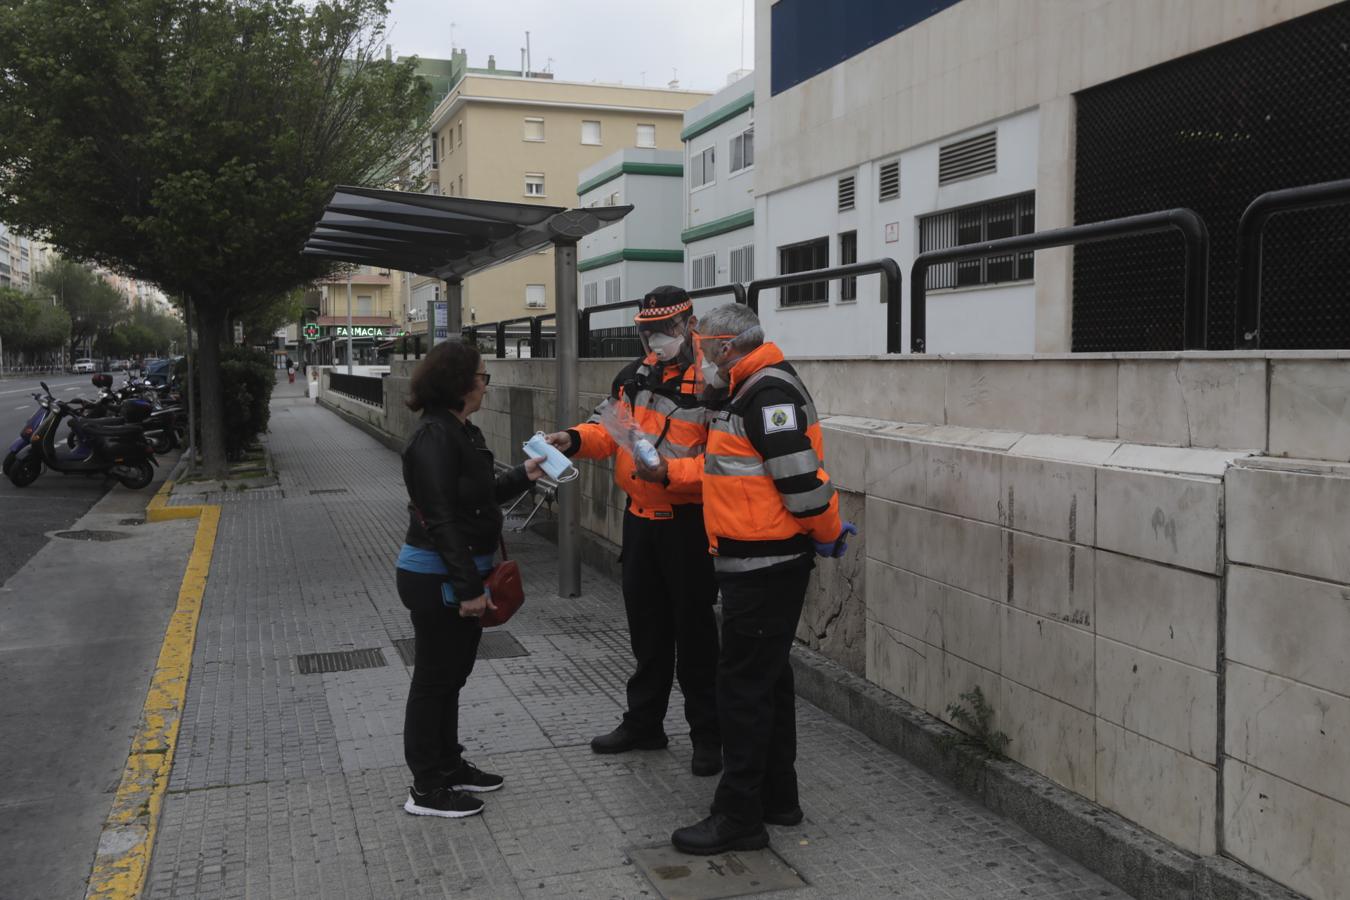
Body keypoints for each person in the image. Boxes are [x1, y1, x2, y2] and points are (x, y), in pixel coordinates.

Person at [645, 302, 857, 856]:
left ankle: (738, 816)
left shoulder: (768, 394)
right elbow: (730, 471)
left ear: (725, 346)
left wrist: (828, 529)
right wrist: (669, 468)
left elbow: (802, 482)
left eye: (702, 345)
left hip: (765, 567)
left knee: (740, 690)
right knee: (767, 682)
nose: (697, 355)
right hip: (756, 562)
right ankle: (777, 799)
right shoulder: (744, 390)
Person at [543, 285, 722, 777]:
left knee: (696, 639)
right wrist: (575, 438)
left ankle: (709, 736)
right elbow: (612, 431)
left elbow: (726, 465)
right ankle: (645, 723)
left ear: (688, 326)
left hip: (689, 527)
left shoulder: (715, 382)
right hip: (640, 525)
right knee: (647, 633)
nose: (654, 342)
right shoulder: (634, 375)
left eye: (662, 332)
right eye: (646, 333)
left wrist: (670, 474)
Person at [396, 339, 545, 818]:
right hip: (438, 577)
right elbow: (439, 518)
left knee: (451, 677)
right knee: (434, 680)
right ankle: (426, 788)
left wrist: (526, 472)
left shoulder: (461, 431)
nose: (486, 384)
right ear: (461, 383)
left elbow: (480, 497)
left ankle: (448, 764)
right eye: (483, 376)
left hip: (460, 574)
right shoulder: (435, 437)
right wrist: (467, 590)